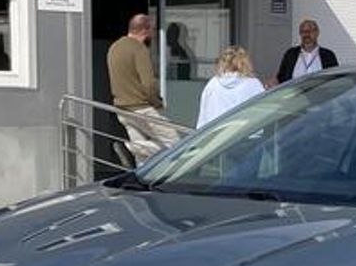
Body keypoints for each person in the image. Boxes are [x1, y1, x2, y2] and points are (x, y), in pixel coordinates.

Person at [106, 13, 183, 168]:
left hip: (122, 109)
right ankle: (130, 148)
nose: (153, 33)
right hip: (141, 108)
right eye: (152, 29)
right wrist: (157, 102)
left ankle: (142, 181)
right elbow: (148, 84)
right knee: (176, 144)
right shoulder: (139, 49)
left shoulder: (114, 47)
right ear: (145, 30)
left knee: (142, 158)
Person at [196, 46, 266, 128]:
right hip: (245, 134)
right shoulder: (253, 84)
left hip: (215, 135)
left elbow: (203, 117)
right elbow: (262, 114)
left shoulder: (212, 84)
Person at [275, 18, 338, 83]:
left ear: (317, 33)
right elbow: (281, 78)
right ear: (300, 34)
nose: (306, 34)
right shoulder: (290, 54)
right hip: (295, 92)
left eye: (310, 31)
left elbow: (335, 79)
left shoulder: (328, 55)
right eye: (303, 31)